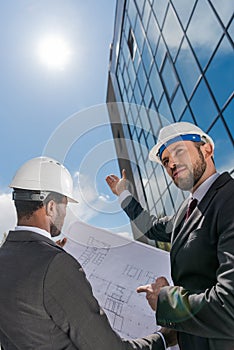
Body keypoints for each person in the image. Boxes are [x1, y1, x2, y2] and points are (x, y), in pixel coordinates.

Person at [0, 156, 176, 350]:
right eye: (64, 205)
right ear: (51, 207)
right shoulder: (56, 265)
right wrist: (163, 337)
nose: (65, 213)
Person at [106, 122, 234, 350]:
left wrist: (165, 301)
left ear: (207, 150)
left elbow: (230, 306)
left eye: (179, 151)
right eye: (165, 161)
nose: (172, 163)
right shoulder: (188, 210)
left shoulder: (229, 199)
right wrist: (123, 194)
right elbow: (151, 226)